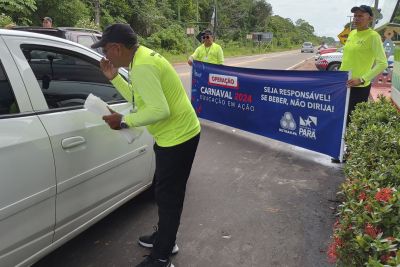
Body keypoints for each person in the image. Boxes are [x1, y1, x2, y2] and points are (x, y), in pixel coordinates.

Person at [92, 23, 201, 267]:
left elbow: (158, 110)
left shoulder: (142, 66)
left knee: (169, 197)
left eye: (106, 50)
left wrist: (123, 122)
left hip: (178, 138)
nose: (105, 56)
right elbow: (140, 97)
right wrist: (114, 78)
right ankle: (164, 237)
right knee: (163, 193)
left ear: (117, 48)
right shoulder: (139, 59)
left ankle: (162, 256)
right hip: (172, 136)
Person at [333, 5, 388, 163]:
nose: (357, 19)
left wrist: (362, 78)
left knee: (352, 121)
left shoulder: (373, 37)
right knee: (341, 118)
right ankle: (340, 152)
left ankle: (350, 154)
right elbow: (347, 59)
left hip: (359, 87)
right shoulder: (351, 34)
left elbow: (382, 63)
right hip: (343, 85)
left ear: (370, 18)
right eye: (355, 16)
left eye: (360, 16)